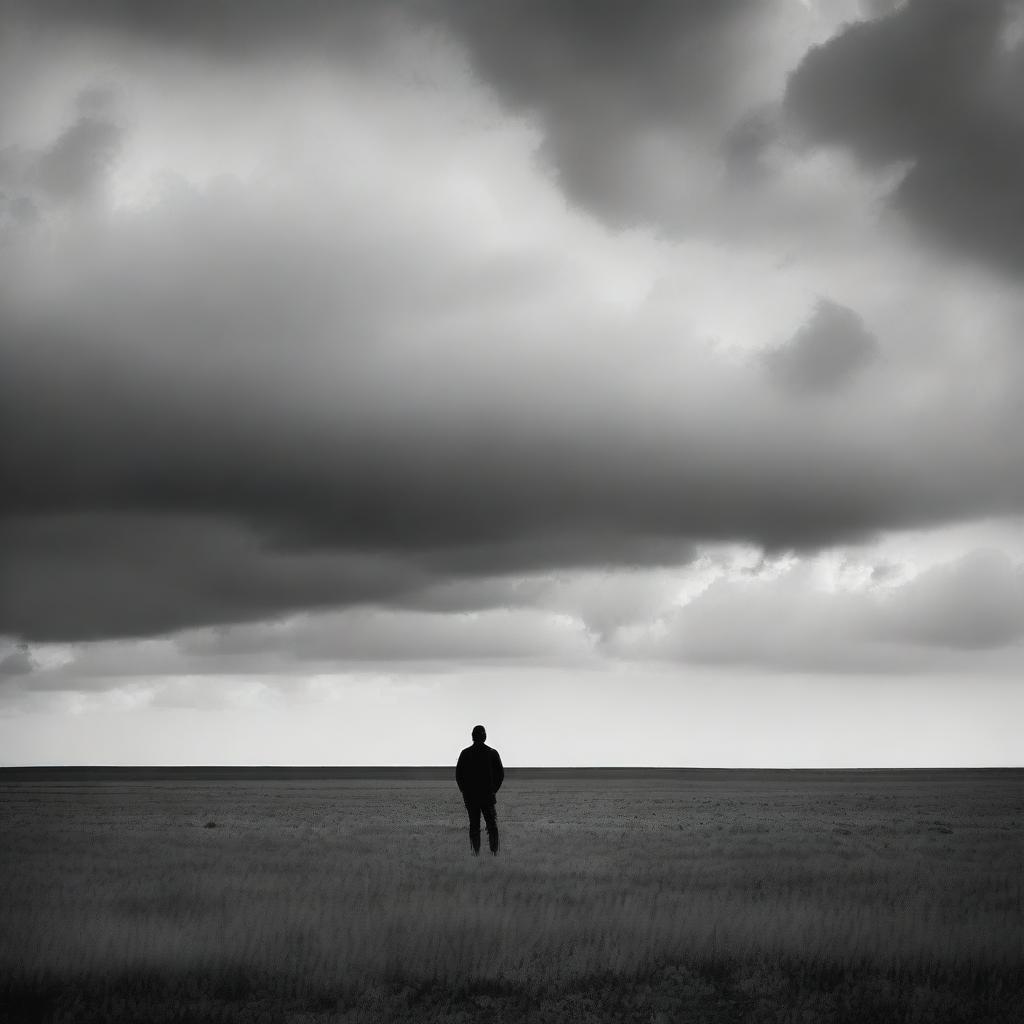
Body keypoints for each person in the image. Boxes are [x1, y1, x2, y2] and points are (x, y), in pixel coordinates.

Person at [455, 724, 504, 855]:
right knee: (492, 826)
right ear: (485, 736)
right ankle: (494, 853)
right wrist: (493, 790)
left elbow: (459, 776)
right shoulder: (492, 753)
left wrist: (465, 792)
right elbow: (500, 775)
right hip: (487, 797)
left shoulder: (465, 754)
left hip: (471, 798)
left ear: (472, 736)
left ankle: (475, 853)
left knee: (474, 826)